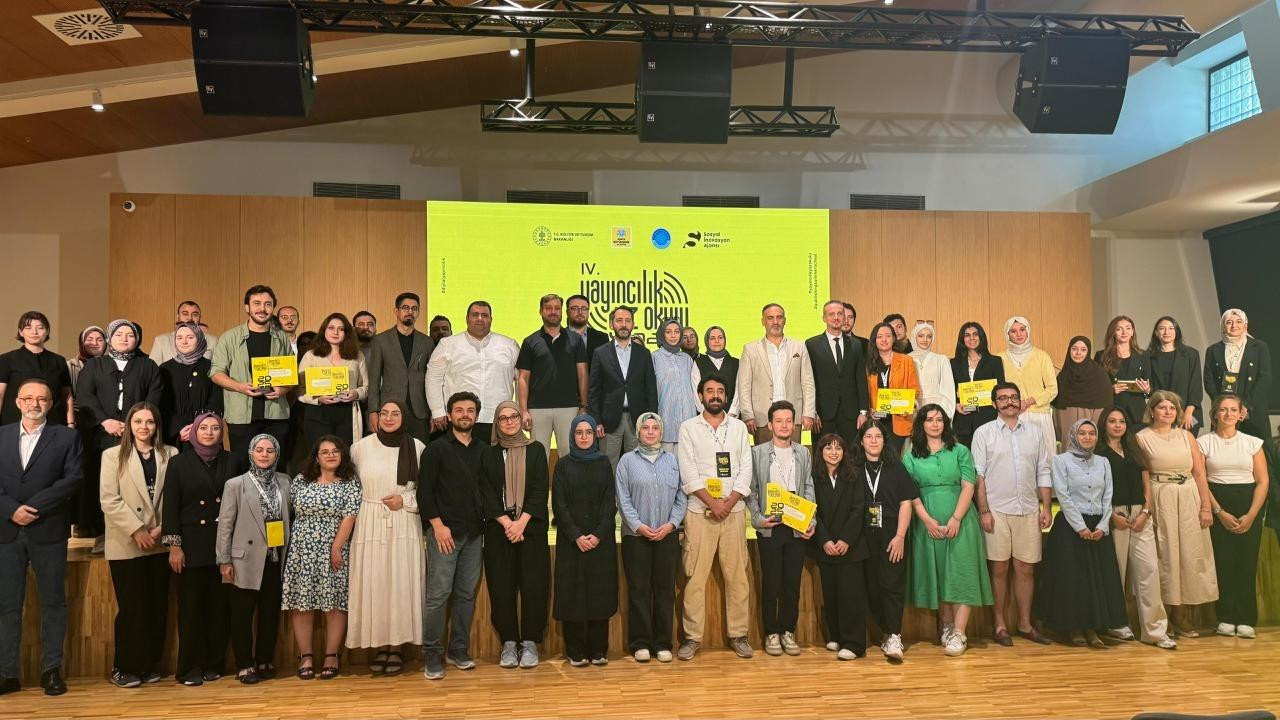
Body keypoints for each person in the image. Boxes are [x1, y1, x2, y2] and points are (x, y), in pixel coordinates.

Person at [0, 378, 82, 696]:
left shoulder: (66, 437)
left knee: (53, 603)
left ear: (51, 404)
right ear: (17, 402)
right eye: (28, 398)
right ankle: (7, 673)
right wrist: (11, 510)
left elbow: (72, 478)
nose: (35, 404)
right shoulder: (1, 435)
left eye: (42, 399)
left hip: (48, 530)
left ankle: (51, 671)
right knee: (7, 605)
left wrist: (31, 508)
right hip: (7, 531)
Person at [903, 405, 991, 657]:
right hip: (926, 520)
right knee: (940, 572)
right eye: (929, 420)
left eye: (939, 419)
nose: (935, 424)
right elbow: (909, 492)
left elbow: (969, 485)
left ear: (946, 424)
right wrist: (927, 521)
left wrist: (956, 518)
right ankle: (947, 625)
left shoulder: (961, 451)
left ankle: (960, 632)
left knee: (962, 572)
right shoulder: (911, 456)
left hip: (961, 519)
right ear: (921, 424)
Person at [676, 375, 754, 661]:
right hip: (700, 513)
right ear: (700, 396)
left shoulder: (738, 428)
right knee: (695, 578)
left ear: (726, 396)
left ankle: (739, 634)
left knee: (737, 578)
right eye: (709, 391)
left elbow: (745, 469)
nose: (715, 395)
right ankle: (692, 637)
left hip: (734, 513)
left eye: (720, 391)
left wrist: (728, 503)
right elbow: (688, 472)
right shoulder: (688, 428)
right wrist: (712, 503)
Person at [99, 401, 176, 687]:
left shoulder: (171, 454)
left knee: (156, 606)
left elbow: (176, 496)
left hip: (159, 540)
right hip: (126, 541)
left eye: (150, 422)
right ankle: (123, 667)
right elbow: (109, 499)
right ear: (129, 425)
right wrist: (136, 530)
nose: (144, 427)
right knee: (132, 608)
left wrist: (161, 529)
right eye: (138, 422)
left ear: (157, 426)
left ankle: (148, 664)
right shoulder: (112, 456)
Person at [971, 381, 1053, 647]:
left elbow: (1043, 470)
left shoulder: (1035, 432)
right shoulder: (983, 433)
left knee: (1026, 568)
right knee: (999, 568)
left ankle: (1025, 624)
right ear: (994, 403)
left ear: (1020, 401)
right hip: (996, 510)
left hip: (1028, 508)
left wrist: (1046, 506)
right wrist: (984, 510)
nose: (1009, 402)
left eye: (1014, 397)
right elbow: (978, 476)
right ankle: (999, 624)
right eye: (1003, 398)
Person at [347, 400, 424, 676]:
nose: (389, 418)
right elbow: (351, 488)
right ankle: (380, 646)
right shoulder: (359, 448)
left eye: (396, 413)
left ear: (404, 417)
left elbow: (427, 489)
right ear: (377, 418)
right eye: (384, 414)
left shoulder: (417, 447)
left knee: (399, 583)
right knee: (375, 582)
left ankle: (396, 648)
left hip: (404, 520)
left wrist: (405, 500)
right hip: (369, 521)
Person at [1035, 419, 1128, 647]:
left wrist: (1103, 526)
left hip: (1098, 527)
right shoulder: (1061, 460)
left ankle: (1092, 628)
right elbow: (1063, 495)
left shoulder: (1103, 462)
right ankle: (1074, 628)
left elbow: (1108, 495)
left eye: (1091, 433)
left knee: (1096, 581)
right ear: (1074, 436)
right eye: (1082, 433)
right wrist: (1081, 527)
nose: (1087, 437)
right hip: (1071, 527)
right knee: (1074, 581)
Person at [1134, 391, 1217, 637]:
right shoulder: (1141, 437)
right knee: (1165, 556)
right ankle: (1162, 618)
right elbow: (1143, 476)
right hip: (1161, 497)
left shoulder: (1186, 436)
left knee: (1189, 556)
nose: (1168, 412)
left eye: (1172, 408)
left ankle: (1181, 617)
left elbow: (1199, 472)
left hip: (1189, 496)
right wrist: (1147, 507)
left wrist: (1205, 506)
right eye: (1162, 407)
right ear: (1152, 411)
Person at [161, 411, 235, 685]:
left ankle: (214, 663)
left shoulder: (232, 460)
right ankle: (189, 668)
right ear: (194, 431)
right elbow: (170, 506)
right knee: (191, 610)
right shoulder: (179, 462)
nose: (209, 432)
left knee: (219, 608)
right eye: (203, 427)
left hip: (223, 544)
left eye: (215, 428)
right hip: (191, 546)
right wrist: (174, 546)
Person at [418, 391, 486, 680]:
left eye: (470, 410)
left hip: (474, 534)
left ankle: (458, 649)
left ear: (477, 416)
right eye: (459, 410)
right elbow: (424, 491)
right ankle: (432, 652)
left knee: (466, 595)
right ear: (449, 415)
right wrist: (437, 525)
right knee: (438, 594)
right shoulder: (436, 449)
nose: (465, 415)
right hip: (444, 532)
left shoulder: (483, 449)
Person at [77, 318, 163, 548]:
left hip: (138, 435)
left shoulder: (148, 366)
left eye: (130, 335)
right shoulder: (94, 365)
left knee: (135, 483)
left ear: (137, 339)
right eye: (119, 334)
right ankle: (104, 534)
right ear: (109, 338)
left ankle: (139, 530)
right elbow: (84, 396)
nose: (125, 339)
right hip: (101, 435)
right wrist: (104, 421)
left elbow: (154, 396)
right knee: (103, 483)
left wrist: (136, 424)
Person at [478, 401, 550, 669]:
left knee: (535, 587)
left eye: (514, 417)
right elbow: (486, 491)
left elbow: (540, 488)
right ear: (496, 423)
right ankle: (509, 642)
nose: (509, 422)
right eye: (503, 418)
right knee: (501, 588)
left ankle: (530, 642)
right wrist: (507, 522)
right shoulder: (487, 454)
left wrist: (521, 523)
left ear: (522, 420)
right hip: (499, 530)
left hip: (531, 529)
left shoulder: (537, 449)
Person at [282, 436, 361, 680]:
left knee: (335, 603)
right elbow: (289, 511)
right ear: (316, 457)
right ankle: (305, 656)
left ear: (342, 455)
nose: (330, 455)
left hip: (335, 548)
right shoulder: (300, 481)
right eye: (325, 452)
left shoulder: (350, 482)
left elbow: (350, 516)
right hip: (302, 550)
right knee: (302, 603)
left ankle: (331, 656)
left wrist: (336, 548)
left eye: (335, 451)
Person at [1096, 407, 1174, 649]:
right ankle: (1116, 624)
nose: (1118, 425)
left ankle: (1155, 631)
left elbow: (1146, 482)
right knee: (1116, 572)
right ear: (1104, 424)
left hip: (1140, 514)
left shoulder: (1134, 449)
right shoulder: (1098, 453)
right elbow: (1094, 488)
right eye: (1112, 421)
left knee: (1148, 570)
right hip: (1114, 515)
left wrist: (1146, 511)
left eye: (1122, 421)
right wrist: (1110, 515)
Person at [216, 434, 292, 684]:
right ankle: (245, 664)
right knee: (242, 615)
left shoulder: (285, 481)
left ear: (276, 454)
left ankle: (264, 659)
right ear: (250, 453)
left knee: (270, 614)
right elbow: (225, 526)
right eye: (259, 450)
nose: (264, 454)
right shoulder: (235, 484)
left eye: (270, 450)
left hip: (274, 558)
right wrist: (224, 560)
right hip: (244, 559)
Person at [745, 401, 814, 658]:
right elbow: (751, 491)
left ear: (794, 425)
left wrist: (810, 521)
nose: (784, 425)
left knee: (792, 583)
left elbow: (808, 488)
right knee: (771, 583)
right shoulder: (757, 453)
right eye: (779, 421)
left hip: (796, 525)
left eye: (788, 421)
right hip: (770, 525)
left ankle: (788, 631)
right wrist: (757, 519)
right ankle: (771, 632)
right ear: (770, 425)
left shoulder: (803, 453)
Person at [616, 412, 685, 663]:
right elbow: (622, 499)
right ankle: (641, 643)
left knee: (665, 590)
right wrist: (639, 526)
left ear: (661, 432)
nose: (650, 432)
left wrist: (671, 524)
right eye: (645, 428)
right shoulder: (626, 461)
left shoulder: (673, 461)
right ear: (638, 431)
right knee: (639, 590)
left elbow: (681, 497)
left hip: (667, 534)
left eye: (655, 428)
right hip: (636, 536)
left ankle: (663, 643)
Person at [1198, 394, 1269, 639]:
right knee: (1223, 563)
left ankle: (1247, 619)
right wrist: (1219, 512)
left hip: (1248, 503)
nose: (1228, 414)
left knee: (1246, 563)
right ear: (1214, 414)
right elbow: (1201, 480)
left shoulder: (1252, 443)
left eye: (1233, 410)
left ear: (1241, 414)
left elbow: (1263, 481)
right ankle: (1226, 617)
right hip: (1218, 503)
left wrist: (1252, 514)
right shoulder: (1203, 442)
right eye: (1223, 410)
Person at [552, 414, 618, 666]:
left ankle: (599, 650)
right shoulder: (563, 465)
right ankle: (575, 650)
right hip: (572, 542)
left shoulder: (604, 463)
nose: (583, 437)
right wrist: (577, 535)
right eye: (579, 433)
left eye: (588, 432)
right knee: (573, 595)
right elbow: (559, 505)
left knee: (599, 593)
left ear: (594, 435)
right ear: (572, 435)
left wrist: (598, 534)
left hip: (600, 541)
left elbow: (609, 502)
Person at [855, 419, 919, 662]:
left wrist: (900, 536)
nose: (873, 441)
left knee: (892, 585)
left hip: (892, 532)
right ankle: (884, 629)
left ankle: (894, 635)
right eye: (868, 436)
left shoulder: (896, 468)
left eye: (878, 437)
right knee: (871, 585)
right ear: (861, 441)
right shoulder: (853, 468)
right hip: (863, 535)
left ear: (885, 441)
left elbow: (906, 503)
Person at [210, 286, 292, 465]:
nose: (262, 308)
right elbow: (216, 373)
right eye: (257, 303)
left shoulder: (282, 338)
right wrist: (239, 386)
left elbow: (290, 375)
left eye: (268, 304)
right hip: (241, 416)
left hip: (276, 415)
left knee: (277, 467)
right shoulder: (229, 337)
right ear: (247, 307)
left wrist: (283, 390)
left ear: (273, 308)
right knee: (242, 467)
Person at [809, 433, 869, 660]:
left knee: (850, 596)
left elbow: (858, 509)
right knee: (831, 593)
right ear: (820, 452)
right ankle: (836, 635)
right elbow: (813, 510)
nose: (833, 453)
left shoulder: (854, 475)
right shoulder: (814, 477)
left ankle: (854, 644)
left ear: (845, 452)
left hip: (850, 546)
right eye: (828, 448)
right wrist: (824, 540)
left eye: (838, 448)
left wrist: (845, 539)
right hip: (825, 545)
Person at [425, 301, 519, 445]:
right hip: (460, 420)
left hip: (499, 419)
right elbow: (433, 378)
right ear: (467, 318)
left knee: (496, 459)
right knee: (459, 459)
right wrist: (437, 411)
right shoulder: (448, 345)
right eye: (475, 315)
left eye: (484, 315)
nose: (480, 318)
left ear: (491, 319)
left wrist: (519, 411)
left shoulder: (509, 345)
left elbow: (521, 380)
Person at [516, 294, 588, 460]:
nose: (553, 312)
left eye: (557, 308)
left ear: (562, 312)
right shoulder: (530, 341)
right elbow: (523, 379)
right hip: (537, 409)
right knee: (538, 457)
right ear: (541, 311)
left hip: (569, 407)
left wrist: (584, 406)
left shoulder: (575, 340)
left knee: (569, 455)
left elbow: (583, 374)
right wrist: (523, 410)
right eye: (548, 308)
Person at [588, 306, 657, 467]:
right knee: (608, 465)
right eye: (619, 320)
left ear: (633, 324)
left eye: (628, 320)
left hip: (638, 420)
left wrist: (651, 419)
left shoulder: (644, 353)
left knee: (637, 466)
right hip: (609, 420)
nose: (624, 324)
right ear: (611, 324)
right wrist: (597, 420)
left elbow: (651, 389)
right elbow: (594, 391)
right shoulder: (600, 353)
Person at [737, 303, 815, 444]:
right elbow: (743, 386)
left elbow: (808, 383)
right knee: (763, 456)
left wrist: (809, 413)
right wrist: (747, 415)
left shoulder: (799, 346)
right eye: (770, 318)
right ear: (763, 321)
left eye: (779, 317)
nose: (775, 322)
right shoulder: (750, 349)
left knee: (793, 456)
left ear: (784, 320)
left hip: (793, 417)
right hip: (761, 418)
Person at [366, 293, 435, 442]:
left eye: (414, 308)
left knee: (419, 452)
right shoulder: (380, 340)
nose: (410, 312)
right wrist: (373, 411)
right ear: (396, 311)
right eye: (405, 308)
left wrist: (434, 412)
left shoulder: (427, 342)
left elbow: (432, 379)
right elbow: (374, 379)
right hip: (390, 408)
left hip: (419, 410)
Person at [297, 313, 369, 449]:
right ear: (324, 330)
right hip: (317, 413)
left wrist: (355, 393)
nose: (335, 332)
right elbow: (300, 389)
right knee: (320, 454)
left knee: (345, 454)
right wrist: (318, 398)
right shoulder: (311, 356)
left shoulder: (357, 356)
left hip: (347, 414)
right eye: (331, 328)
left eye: (340, 329)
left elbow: (365, 387)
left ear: (346, 333)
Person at [806, 300, 869, 449]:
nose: (836, 317)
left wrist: (863, 411)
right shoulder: (811, 344)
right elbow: (808, 380)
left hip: (851, 414)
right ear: (824, 318)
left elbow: (861, 379)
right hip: (822, 413)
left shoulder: (855, 344)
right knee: (822, 453)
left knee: (852, 454)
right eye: (831, 314)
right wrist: (812, 411)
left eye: (839, 314)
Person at [1204, 308, 1272, 440]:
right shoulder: (1213, 350)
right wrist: (1223, 406)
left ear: (1245, 325)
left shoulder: (1259, 347)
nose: (1234, 326)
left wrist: (1245, 405)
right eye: (1229, 322)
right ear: (1223, 325)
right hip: (1224, 410)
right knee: (1222, 447)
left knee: (1260, 448)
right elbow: (1208, 380)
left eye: (1239, 322)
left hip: (1252, 408)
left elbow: (1265, 378)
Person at [998, 316, 1058, 460]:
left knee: (1044, 461)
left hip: (1039, 416)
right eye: (1013, 331)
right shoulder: (999, 358)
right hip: (1010, 415)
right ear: (1007, 334)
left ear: (1028, 331)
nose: (1019, 334)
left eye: (1022, 330)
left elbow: (1052, 389)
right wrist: (1014, 404)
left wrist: (1027, 402)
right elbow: (996, 389)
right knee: (1014, 461)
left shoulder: (1042, 356)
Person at [0, 311, 73, 428]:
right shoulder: (7, 359)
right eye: (28, 328)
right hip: (15, 424)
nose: (34, 332)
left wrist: (70, 423)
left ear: (47, 331)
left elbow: (67, 395)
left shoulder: (59, 360)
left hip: (54, 423)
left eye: (40, 328)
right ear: (20, 332)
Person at [158, 322, 222, 447]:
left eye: (190, 337)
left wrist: (200, 426)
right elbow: (162, 404)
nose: (184, 342)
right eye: (179, 338)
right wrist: (179, 428)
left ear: (199, 339)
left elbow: (217, 399)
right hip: (176, 436)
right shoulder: (164, 369)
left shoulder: (212, 368)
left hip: (206, 434)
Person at [866, 322, 922, 453]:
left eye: (888, 336)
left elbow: (914, 389)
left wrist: (908, 405)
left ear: (893, 338)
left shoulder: (906, 360)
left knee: (894, 457)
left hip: (899, 418)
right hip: (877, 420)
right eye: (879, 336)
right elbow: (865, 392)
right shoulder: (868, 363)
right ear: (874, 340)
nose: (884, 340)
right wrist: (869, 410)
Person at [1051, 336, 1112, 449]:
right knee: (1068, 450)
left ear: (1088, 352)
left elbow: (1105, 402)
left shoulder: (1099, 374)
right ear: (1069, 350)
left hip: (1091, 423)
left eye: (1083, 350)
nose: (1078, 353)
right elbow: (1057, 408)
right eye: (1074, 349)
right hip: (1067, 424)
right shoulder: (1063, 376)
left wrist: (1093, 428)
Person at [950, 322, 1005, 448]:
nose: (972, 338)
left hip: (987, 417)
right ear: (962, 339)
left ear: (981, 337)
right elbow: (950, 389)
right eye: (967, 335)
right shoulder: (953, 363)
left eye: (975, 334)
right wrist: (956, 404)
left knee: (989, 455)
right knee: (965, 456)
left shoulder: (995, 361)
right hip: (963, 419)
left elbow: (1001, 389)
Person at [1148, 316, 1203, 431]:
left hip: (1187, 413)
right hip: (1161, 415)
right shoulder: (1149, 356)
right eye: (1162, 328)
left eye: (1171, 328)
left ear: (1176, 331)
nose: (1166, 332)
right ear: (1156, 333)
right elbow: (1151, 388)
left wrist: (1188, 413)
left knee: (1187, 442)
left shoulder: (1191, 354)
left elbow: (1195, 386)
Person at [652, 319, 699, 453]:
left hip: (688, 419)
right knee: (665, 462)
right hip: (666, 419)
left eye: (677, 332)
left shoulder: (687, 359)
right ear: (662, 334)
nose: (673, 336)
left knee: (687, 462)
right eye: (668, 332)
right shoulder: (654, 357)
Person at [1097, 316, 1151, 428]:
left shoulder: (1143, 355)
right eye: (1119, 329)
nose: (1124, 332)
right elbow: (1095, 385)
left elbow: (1150, 384)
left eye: (1128, 328)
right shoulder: (1101, 355)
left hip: (1137, 412)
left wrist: (1147, 390)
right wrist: (1110, 389)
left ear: (1132, 332)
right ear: (1113, 332)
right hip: (1113, 409)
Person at [149, 301, 218, 364]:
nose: (190, 318)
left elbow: (218, 369)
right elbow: (152, 369)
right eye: (185, 314)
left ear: (200, 318)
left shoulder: (213, 340)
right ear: (178, 317)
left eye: (195, 315)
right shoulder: (161, 340)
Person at [909, 322, 956, 418]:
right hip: (912, 410)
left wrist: (944, 414)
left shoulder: (941, 359)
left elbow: (948, 389)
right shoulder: (906, 359)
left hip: (936, 410)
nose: (925, 340)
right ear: (914, 337)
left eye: (929, 336)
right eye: (921, 336)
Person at [696, 326, 740, 415]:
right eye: (712, 338)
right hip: (705, 416)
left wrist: (732, 413)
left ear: (725, 340)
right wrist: (706, 414)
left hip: (731, 416)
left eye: (720, 337)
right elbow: (696, 391)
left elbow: (739, 391)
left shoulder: (736, 363)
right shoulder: (698, 362)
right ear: (707, 341)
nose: (717, 341)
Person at [565, 294, 610, 372]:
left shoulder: (602, 338)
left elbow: (606, 369)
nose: (580, 312)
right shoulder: (558, 337)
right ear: (567, 312)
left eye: (584, 308)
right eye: (575, 308)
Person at [68, 325, 105, 391]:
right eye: (89, 340)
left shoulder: (111, 365)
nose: (94, 343)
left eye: (99, 340)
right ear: (82, 343)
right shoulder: (70, 366)